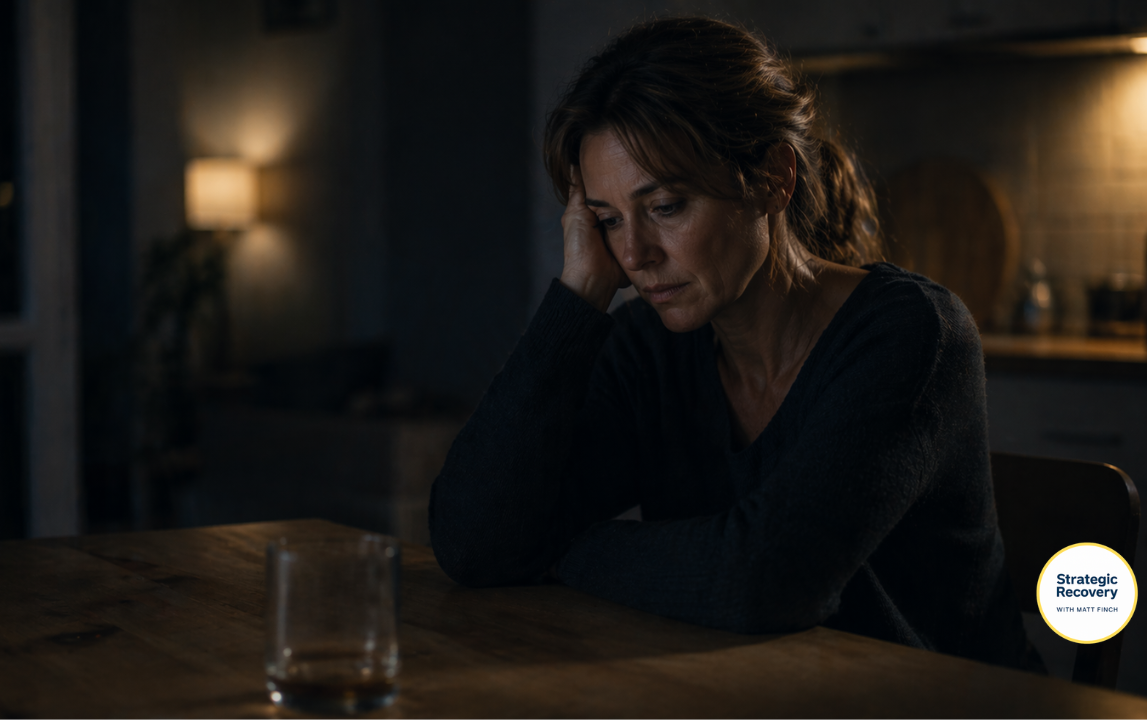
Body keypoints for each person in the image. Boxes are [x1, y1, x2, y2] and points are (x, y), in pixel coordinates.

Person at [429, 16, 1039, 671]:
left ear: (774, 178)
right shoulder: (652, 348)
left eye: (665, 207)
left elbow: (763, 581)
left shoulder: (912, 335)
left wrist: (562, 549)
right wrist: (579, 294)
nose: (633, 255)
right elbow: (474, 543)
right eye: (607, 220)